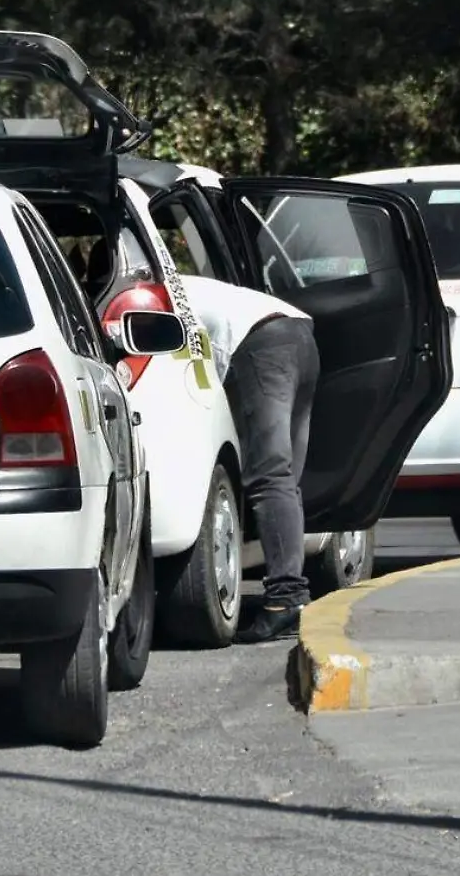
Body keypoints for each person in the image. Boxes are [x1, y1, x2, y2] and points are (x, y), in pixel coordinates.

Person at [177, 273, 320, 643]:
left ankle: (285, 599)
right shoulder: (182, 281)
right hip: (300, 333)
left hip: (261, 342)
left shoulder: (144, 293)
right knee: (283, 477)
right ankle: (293, 599)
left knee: (270, 476)